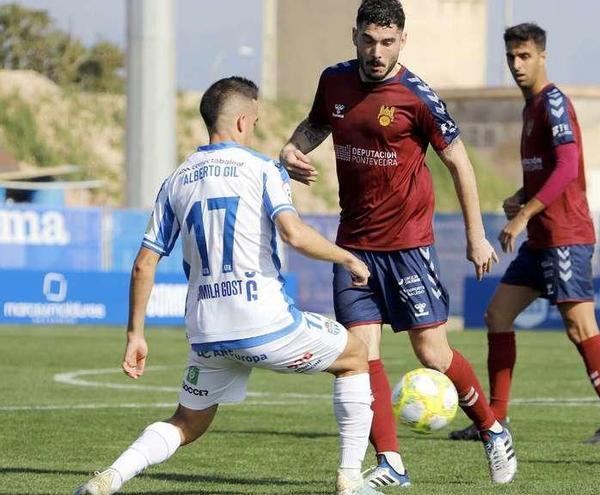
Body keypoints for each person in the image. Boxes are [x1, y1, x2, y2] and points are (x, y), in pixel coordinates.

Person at [73, 77, 383, 495]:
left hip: (208, 332)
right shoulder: (263, 169)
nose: (254, 127)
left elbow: (144, 264)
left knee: (187, 422)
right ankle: (351, 480)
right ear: (241, 120)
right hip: (265, 323)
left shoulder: (176, 180)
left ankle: (111, 477)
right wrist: (346, 256)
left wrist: (135, 335)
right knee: (354, 356)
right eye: (254, 120)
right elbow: (293, 234)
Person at [279, 0, 517, 487]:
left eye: (387, 42)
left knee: (432, 353)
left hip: (408, 245)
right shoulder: (334, 81)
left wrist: (476, 235)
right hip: (352, 247)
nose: (376, 51)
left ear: (402, 41)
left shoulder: (417, 96)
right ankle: (392, 463)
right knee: (360, 357)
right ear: (355, 37)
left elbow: (460, 163)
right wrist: (290, 148)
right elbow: (316, 125)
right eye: (369, 40)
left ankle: (492, 430)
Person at [448, 23, 600, 445]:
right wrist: (522, 195)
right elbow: (550, 171)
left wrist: (522, 216)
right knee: (497, 315)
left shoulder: (552, 103)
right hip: (542, 237)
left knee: (580, 327)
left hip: (566, 235)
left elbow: (568, 168)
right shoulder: (530, 107)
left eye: (525, 56)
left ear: (542, 57)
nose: (517, 64)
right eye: (511, 57)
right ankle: (495, 421)